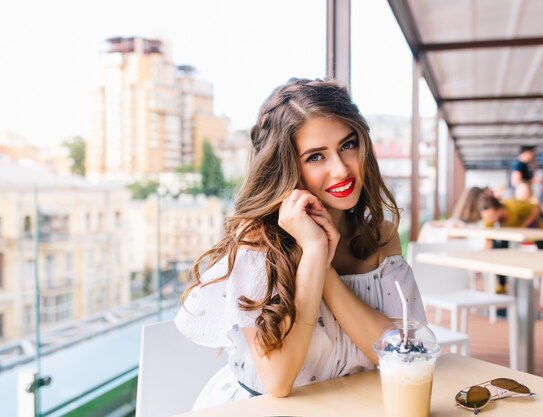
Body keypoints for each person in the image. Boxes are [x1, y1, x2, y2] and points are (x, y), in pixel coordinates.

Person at [174, 78, 427, 409]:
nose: (340, 169)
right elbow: (277, 381)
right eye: (315, 157)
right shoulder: (257, 243)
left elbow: (403, 352)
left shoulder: (381, 235)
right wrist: (311, 253)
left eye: (348, 145)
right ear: (287, 168)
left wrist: (323, 267)